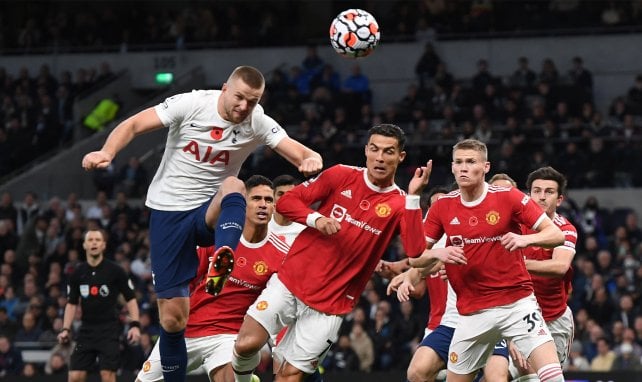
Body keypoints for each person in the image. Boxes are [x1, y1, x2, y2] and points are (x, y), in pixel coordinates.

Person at [81, 65, 323, 382]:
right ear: (224, 88)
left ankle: (223, 257)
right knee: (173, 320)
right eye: (239, 98)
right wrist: (107, 151)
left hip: (211, 210)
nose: (244, 107)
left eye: (252, 101)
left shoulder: (257, 120)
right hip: (168, 213)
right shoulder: (193, 104)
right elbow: (135, 123)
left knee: (235, 187)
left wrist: (311, 158)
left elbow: (297, 150)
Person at [232, 124, 431, 382]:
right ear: (366, 150)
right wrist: (316, 220)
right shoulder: (340, 175)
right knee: (245, 344)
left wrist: (414, 196)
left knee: (288, 376)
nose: (380, 158)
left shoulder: (400, 203)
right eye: (375, 149)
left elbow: (416, 251)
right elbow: (286, 202)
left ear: (400, 156)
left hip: (331, 305)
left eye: (388, 152)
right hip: (291, 282)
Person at [409, 139, 565, 382]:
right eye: (458, 162)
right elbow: (415, 258)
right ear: (452, 167)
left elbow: (556, 235)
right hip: (471, 314)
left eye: (470, 162)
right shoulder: (443, 207)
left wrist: (525, 241)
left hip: (517, 304)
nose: (463, 168)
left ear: (486, 167)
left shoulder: (508, 197)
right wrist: (438, 253)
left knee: (553, 377)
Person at [136, 175, 287, 382]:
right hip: (187, 331)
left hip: (228, 337)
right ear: (243, 204)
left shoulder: (281, 254)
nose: (262, 205)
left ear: (274, 207)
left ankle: (241, 378)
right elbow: (185, 281)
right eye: (256, 199)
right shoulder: (219, 238)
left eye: (268, 200)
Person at [387, 186, 510, 382]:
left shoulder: (487, 226)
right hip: (452, 320)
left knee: (496, 377)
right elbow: (423, 264)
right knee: (416, 372)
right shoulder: (439, 241)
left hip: (491, 320)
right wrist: (408, 278)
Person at [509, 167, 578, 382]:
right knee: (499, 374)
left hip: (554, 320)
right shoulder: (515, 226)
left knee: (542, 378)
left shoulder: (566, 229)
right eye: (536, 191)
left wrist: (514, 264)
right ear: (528, 195)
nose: (541, 196)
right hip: (517, 317)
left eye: (548, 192)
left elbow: (559, 267)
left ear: (559, 200)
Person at [57, 229, 140, 382]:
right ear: (84, 245)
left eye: (97, 240)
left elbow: (131, 298)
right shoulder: (77, 273)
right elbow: (71, 303)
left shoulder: (115, 270)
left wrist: (135, 325)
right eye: (90, 240)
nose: (94, 242)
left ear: (103, 245)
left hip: (109, 330)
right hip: (86, 331)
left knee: (107, 375)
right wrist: (65, 329)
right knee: (75, 376)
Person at [268, 174, 305, 246]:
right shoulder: (261, 225)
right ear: (273, 197)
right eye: (280, 194)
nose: (285, 199)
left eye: (290, 194)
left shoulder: (303, 231)